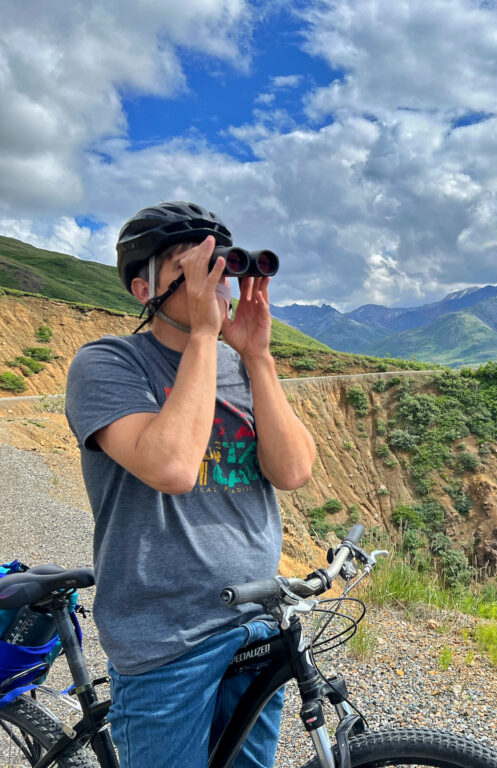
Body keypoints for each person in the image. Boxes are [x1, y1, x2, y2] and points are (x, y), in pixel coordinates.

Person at [64, 201, 317, 768]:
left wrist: (258, 356)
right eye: (196, 267)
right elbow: (173, 468)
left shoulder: (239, 366)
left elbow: (294, 470)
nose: (217, 282)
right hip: (166, 643)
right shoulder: (107, 365)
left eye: (221, 267)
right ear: (142, 287)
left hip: (254, 622)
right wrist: (206, 337)